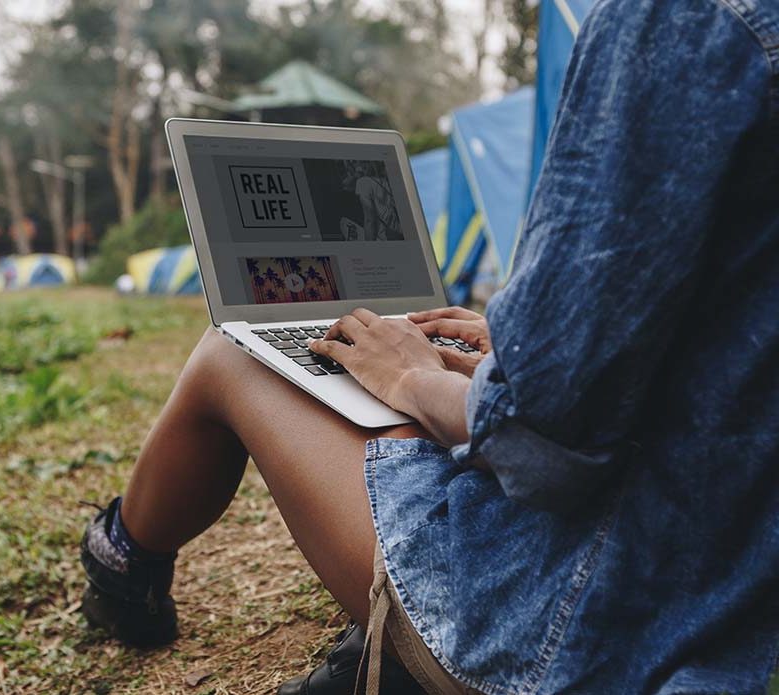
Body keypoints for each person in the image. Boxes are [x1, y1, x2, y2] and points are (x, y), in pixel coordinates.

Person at [78, 0, 779, 692]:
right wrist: (520, 348)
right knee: (390, 377)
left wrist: (417, 378)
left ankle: (122, 560)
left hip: (569, 634)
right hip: (728, 613)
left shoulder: (685, 17)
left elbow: (542, 444)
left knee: (232, 352)